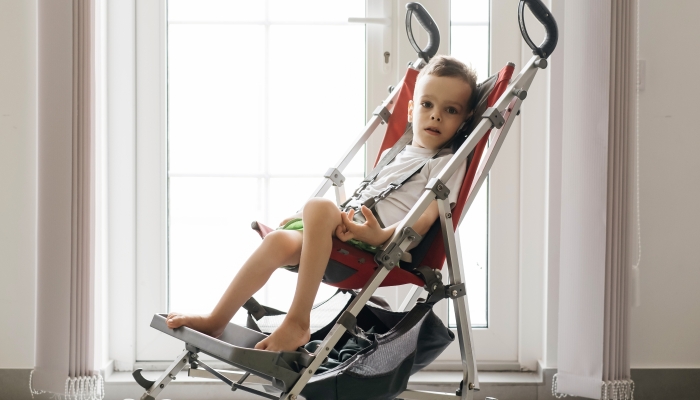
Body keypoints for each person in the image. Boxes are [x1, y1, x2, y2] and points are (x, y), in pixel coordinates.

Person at [166, 55, 478, 352]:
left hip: (383, 245)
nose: (436, 114)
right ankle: (216, 320)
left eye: (450, 110)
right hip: (348, 233)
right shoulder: (395, 153)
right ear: (411, 110)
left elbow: (422, 220)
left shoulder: (448, 164)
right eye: (427, 104)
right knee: (278, 240)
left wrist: (379, 236)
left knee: (318, 206)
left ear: (464, 120)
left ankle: (297, 321)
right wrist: (311, 221)